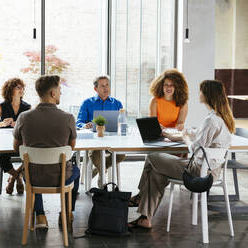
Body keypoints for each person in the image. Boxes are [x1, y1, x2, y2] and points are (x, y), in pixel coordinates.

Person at [128, 80, 235, 229]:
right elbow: (199, 134)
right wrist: (180, 134)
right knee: (156, 174)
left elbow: (196, 150)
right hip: (210, 169)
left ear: (207, 95)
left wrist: (185, 138)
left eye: (201, 91)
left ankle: (140, 196)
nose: (199, 94)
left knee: (152, 156)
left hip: (198, 172)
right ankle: (145, 218)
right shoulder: (219, 118)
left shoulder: (211, 121)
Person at [13, 75, 80, 229]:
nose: (61, 93)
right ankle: (66, 212)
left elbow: (17, 147)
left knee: (32, 169)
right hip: (61, 176)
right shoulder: (68, 118)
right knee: (76, 171)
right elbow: (71, 148)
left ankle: (40, 216)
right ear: (52, 94)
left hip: (33, 177)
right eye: (60, 90)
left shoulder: (24, 117)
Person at [76, 75, 126, 185]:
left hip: (112, 140)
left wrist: (120, 126)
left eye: (107, 85)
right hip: (94, 141)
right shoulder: (87, 103)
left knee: (122, 154)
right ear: (95, 89)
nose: (106, 88)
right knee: (95, 154)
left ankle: (99, 171)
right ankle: (102, 176)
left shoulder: (117, 103)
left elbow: (123, 122)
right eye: (102, 86)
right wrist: (85, 125)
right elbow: (78, 122)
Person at [0, 78, 31, 195]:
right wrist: (1, 124)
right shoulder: (2, 106)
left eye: (22, 87)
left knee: (32, 155)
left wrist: (20, 124)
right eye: (18, 87)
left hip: (21, 142)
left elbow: (32, 126)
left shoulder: (27, 107)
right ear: (11, 90)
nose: (22, 90)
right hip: (4, 142)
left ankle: (13, 178)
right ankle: (17, 177)